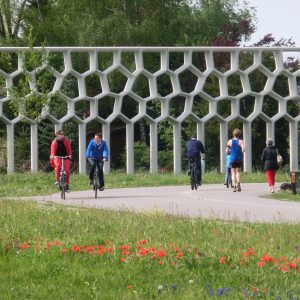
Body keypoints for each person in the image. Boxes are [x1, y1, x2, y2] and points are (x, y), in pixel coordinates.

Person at [226, 128, 245, 192]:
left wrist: (229, 152)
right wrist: (241, 153)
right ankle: (238, 184)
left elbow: (226, 151)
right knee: (238, 172)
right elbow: (243, 149)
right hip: (239, 159)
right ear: (239, 134)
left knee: (233, 172)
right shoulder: (241, 141)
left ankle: (234, 186)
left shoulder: (230, 141)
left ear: (233, 134)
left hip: (232, 159)